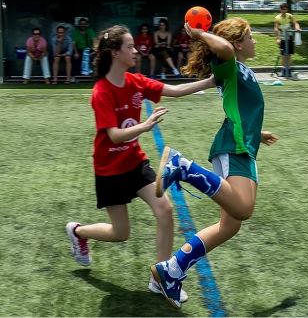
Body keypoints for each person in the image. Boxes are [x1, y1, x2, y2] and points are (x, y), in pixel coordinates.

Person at [65, 25, 214, 303]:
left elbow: (173, 90)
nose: (136, 50)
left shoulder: (135, 81)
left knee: (165, 209)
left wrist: (208, 82)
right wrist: (145, 126)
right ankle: (77, 231)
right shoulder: (101, 91)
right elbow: (114, 135)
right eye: (130, 46)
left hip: (134, 163)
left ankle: (161, 277)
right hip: (109, 170)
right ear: (115, 53)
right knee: (120, 233)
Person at [151, 18, 279, 309]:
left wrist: (258, 133)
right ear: (236, 44)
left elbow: (239, 108)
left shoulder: (240, 71)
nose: (255, 41)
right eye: (250, 36)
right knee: (244, 209)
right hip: (233, 146)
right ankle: (182, 166)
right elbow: (222, 48)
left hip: (243, 144)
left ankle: (171, 271)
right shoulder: (229, 63)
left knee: (229, 226)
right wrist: (198, 33)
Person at [273, 3, 301, 77]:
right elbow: (276, 29)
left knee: (289, 55)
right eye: (282, 9)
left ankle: (289, 71)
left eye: (285, 9)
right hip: (282, 38)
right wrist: (278, 38)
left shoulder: (290, 16)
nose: (284, 11)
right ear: (280, 9)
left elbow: (296, 23)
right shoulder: (277, 18)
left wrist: (297, 28)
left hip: (289, 37)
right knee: (283, 55)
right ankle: (283, 71)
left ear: (287, 9)